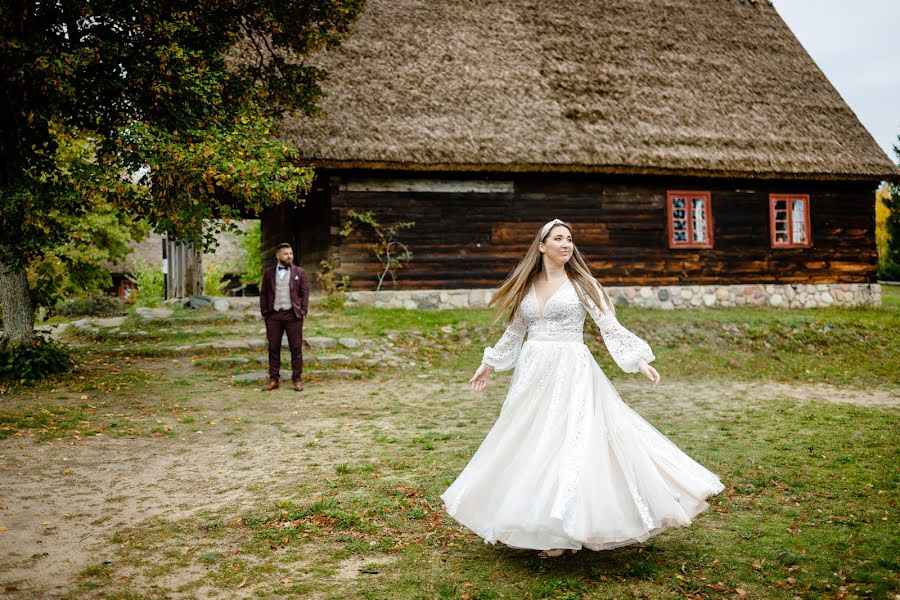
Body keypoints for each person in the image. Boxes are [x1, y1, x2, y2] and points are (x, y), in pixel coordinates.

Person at [440, 219, 724, 558]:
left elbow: (609, 326)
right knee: (530, 440)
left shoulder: (583, 284)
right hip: (533, 373)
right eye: (557, 238)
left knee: (568, 440)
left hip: (571, 369)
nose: (566, 244)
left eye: (569, 239)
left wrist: (638, 360)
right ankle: (534, 518)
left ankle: (564, 529)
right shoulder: (527, 285)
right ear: (541, 245)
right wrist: (489, 363)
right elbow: (515, 332)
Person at [259, 243, 309, 392]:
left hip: (292, 315)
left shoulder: (299, 272)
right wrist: (265, 313)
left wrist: (303, 310)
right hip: (274, 315)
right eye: (286, 254)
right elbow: (264, 294)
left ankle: (297, 379)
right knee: (273, 348)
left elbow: (304, 293)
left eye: (291, 253)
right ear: (278, 256)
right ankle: (274, 379)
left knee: (296, 348)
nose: (289, 256)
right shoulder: (268, 273)